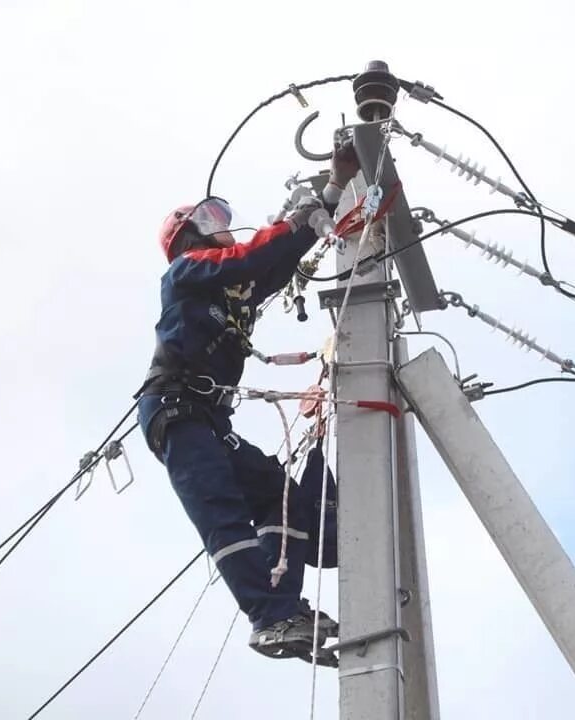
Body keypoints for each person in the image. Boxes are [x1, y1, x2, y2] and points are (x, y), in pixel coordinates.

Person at [134, 148, 359, 662]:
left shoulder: (227, 290)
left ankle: (283, 609)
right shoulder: (186, 271)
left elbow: (267, 271)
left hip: (207, 419)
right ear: (190, 236)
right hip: (176, 411)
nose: (224, 229)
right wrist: (299, 220)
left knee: (281, 495)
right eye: (211, 220)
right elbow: (250, 259)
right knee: (223, 513)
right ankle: (268, 617)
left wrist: (326, 198)